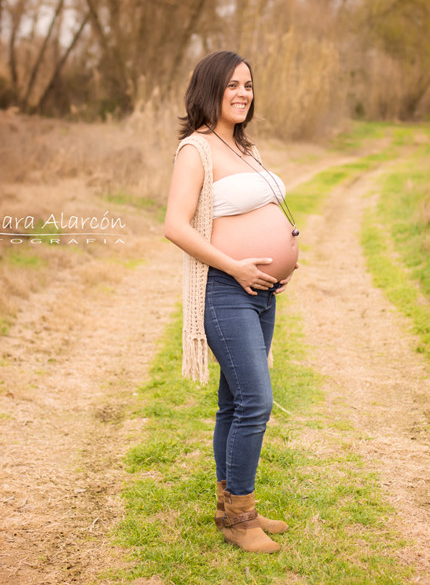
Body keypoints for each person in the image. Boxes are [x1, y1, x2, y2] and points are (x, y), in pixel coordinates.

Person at [163, 50, 301, 554]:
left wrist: (282, 258)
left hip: (260, 293)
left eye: (248, 84)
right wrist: (235, 265)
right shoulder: (195, 150)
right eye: (232, 85)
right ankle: (241, 518)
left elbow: (263, 210)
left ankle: (231, 505)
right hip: (225, 292)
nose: (243, 93)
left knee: (233, 402)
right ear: (209, 90)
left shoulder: (247, 149)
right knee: (256, 403)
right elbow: (174, 226)